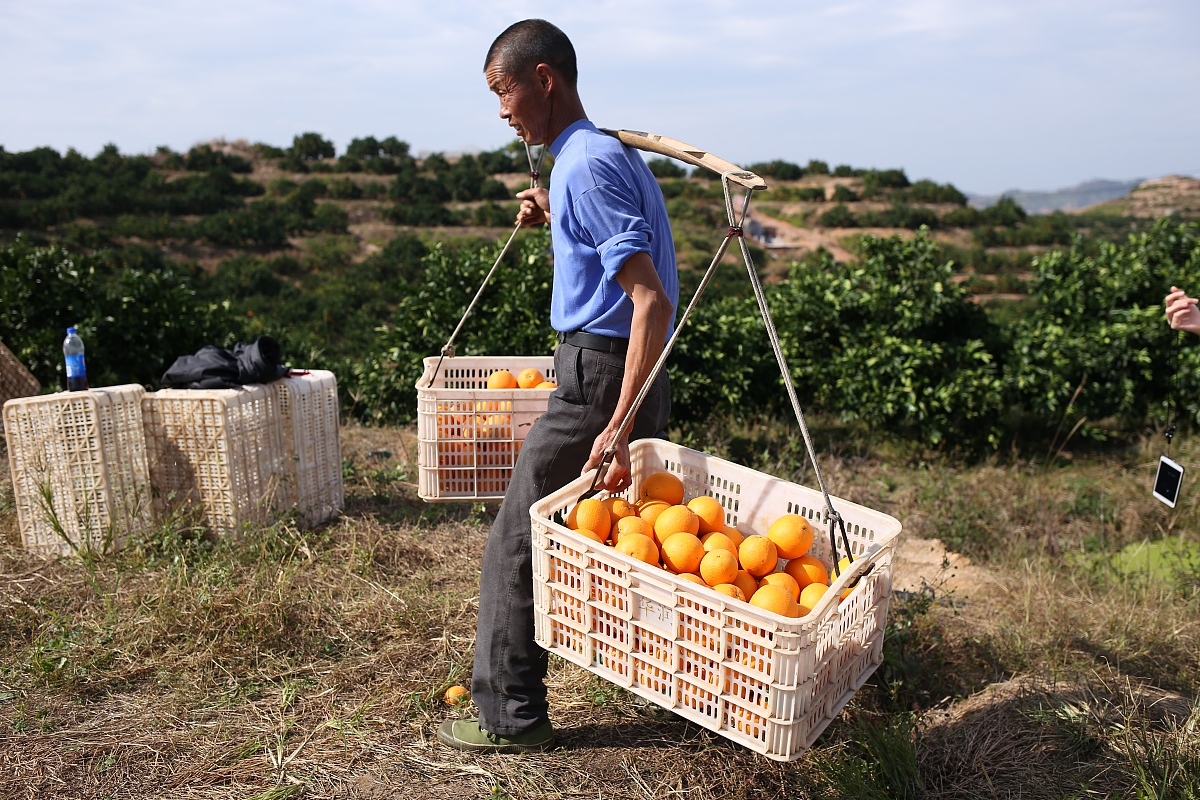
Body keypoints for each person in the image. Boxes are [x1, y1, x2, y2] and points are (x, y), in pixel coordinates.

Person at [437, 20, 678, 753]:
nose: (501, 111)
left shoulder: (586, 166)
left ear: (543, 80)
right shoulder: (594, 155)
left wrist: (617, 420)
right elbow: (611, 259)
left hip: (601, 377)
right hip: (621, 369)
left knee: (517, 542)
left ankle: (510, 716)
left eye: (503, 91)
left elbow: (650, 300)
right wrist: (555, 214)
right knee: (612, 539)